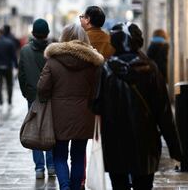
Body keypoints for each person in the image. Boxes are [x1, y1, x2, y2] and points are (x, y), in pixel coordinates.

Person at [92, 22, 181, 189]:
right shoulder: (151, 69)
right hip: (145, 141)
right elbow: (164, 114)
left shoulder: (106, 70)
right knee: (144, 185)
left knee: (119, 185)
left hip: (115, 141)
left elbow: (96, 106)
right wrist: (175, 149)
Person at [37, 23, 104, 190]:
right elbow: (98, 89)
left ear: (63, 37)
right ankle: (75, 187)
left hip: (59, 115)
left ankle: (65, 187)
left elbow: (42, 88)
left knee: (59, 155)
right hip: (84, 114)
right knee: (78, 155)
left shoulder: (53, 61)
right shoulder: (93, 63)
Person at [18, 18, 55, 179]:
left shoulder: (25, 51)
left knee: (34, 130)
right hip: (52, 97)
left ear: (33, 33)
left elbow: (21, 76)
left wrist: (27, 94)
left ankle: (39, 168)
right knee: (51, 130)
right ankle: (52, 165)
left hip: (33, 97)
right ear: (47, 34)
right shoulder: (54, 50)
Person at [0, 28, 18, 105]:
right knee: (9, 84)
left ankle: (1, 100)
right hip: (8, 66)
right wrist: (16, 65)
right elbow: (14, 55)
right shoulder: (10, 43)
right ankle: (9, 100)